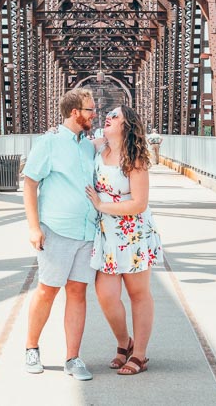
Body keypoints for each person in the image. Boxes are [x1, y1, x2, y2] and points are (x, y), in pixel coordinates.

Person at [21, 88, 99, 381]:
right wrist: (33, 226)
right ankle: (31, 348)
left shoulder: (89, 145)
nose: (95, 114)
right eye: (90, 110)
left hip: (86, 230)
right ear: (75, 112)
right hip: (57, 229)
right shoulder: (50, 142)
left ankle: (73, 358)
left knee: (78, 292)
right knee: (48, 290)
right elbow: (29, 183)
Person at [86, 105, 163, 376]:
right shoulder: (98, 148)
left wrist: (101, 205)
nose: (108, 117)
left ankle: (139, 355)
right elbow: (71, 143)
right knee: (106, 296)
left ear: (127, 125)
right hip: (106, 234)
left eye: (115, 116)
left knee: (138, 294)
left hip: (132, 233)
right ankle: (124, 342)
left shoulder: (136, 158)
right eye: (108, 115)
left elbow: (139, 204)